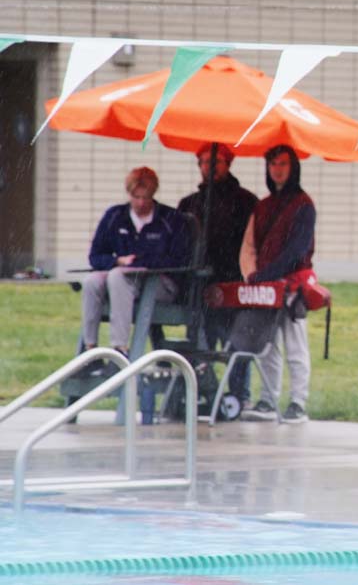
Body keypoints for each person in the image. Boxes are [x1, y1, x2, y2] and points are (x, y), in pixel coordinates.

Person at [237, 144, 315, 424]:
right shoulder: (264, 206)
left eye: (282, 164)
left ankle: (298, 402)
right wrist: (253, 275)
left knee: (295, 346)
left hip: (294, 285)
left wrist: (266, 274)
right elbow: (249, 245)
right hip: (265, 286)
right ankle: (268, 400)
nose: (277, 170)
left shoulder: (304, 206)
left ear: (293, 167)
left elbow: (297, 250)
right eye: (273, 164)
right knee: (267, 345)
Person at [79, 167, 191, 360]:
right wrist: (117, 260)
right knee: (91, 281)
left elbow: (178, 258)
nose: (140, 203)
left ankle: (119, 349)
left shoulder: (170, 219)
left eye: (145, 197)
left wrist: (141, 263)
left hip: (159, 283)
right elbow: (95, 256)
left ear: (153, 195)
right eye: (135, 196)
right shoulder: (115, 216)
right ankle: (89, 351)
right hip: (123, 277)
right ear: (129, 194)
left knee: (118, 277)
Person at [177, 142, 258, 401]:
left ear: (228, 164)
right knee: (201, 340)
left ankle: (238, 395)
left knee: (235, 342)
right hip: (200, 286)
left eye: (216, 162)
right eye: (204, 162)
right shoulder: (189, 204)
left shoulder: (246, 202)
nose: (209, 167)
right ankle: (202, 392)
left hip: (233, 282)